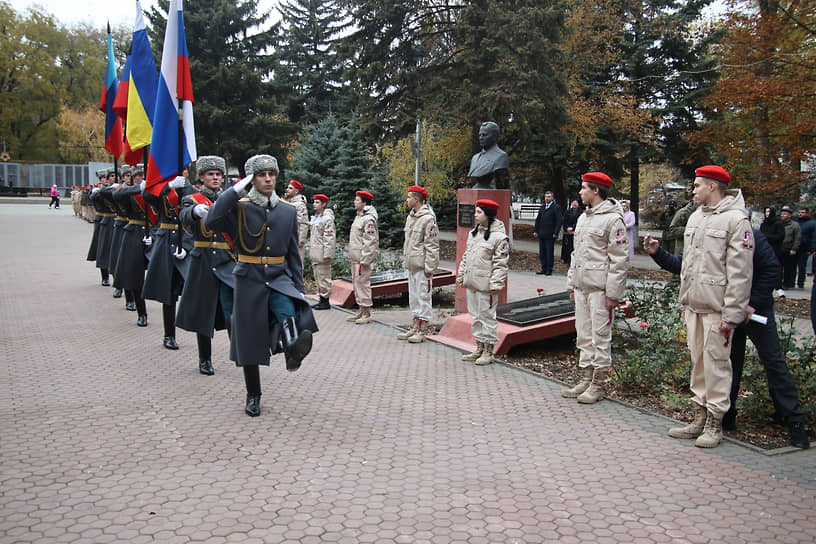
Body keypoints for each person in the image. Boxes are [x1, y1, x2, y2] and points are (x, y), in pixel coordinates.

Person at [645, 231, 809, 449]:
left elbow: (771, 270)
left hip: (754, 312)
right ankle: (725, 419)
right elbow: (686, 267)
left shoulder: (751, 236)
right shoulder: (707, 233)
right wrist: (658, 253)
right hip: (724, 313)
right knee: (727, 364)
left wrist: (751, 304)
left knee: (774, 362)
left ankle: (795, 424)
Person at [205, 154, 317, 417]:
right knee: (250, 341)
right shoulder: (240, 207)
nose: (268, 179)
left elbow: (292, 252)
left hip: (278, 276)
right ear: (251, 179)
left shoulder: (287, 211)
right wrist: (233, 191)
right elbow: (212, 220)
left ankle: (292, 349)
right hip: (248, 278)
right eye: (261, 174)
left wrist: (298, 284)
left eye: (272, 174)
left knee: (288, 309)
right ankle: (253, 394)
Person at [667, 165, 754, 448]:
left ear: (713, 186)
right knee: (698, 363)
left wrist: (732, 315)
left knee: (716, 364)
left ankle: (715, 422)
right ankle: (699, 416)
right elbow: (688, 268)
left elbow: (740, 273)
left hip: (718, 310)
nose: (693, 191)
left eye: (697, 186)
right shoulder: (695, 217)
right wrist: (684, 301)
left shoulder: (736, 220)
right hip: (695, 305)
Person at [561, 172, 628, 404]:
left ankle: (598, 383)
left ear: (596, 190)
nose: (580, 193)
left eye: (584, 188)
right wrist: (572, 283)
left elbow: (619, 260)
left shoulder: (613, 220)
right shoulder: (584, 218)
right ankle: (585, 377)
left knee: (600, 337)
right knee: (584, 335)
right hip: (582, 287)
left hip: (600, 290)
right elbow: (575, 254)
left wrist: (613, 294)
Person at [176, 155, 236, 376]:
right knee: (203, 313)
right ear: (201, 177)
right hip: (202, 260)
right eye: (210, 174)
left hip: (226, 259)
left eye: (219, 174)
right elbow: (182, 216)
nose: (215, 178)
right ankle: (204, 359)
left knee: (233, 310)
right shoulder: (192, 199)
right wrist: (194, 212)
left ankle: (238, 350)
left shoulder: (231, 199)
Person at [142, 171, 194, 350]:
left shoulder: (192, 190)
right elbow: (147, 195)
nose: (182, 172)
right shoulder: (164, 191)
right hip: (166, 242)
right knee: (169, 292)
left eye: (184, 169)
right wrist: (168, 186)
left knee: (194, 290)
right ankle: (169, 335)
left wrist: (187, 246)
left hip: (186, 242)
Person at [457, 199, 510, 365]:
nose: (475, 215)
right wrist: (462, 275)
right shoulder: (474, 234)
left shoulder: (499, 238)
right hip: (472, 282)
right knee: (476, 316)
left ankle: (489, 350)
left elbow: (501, 264)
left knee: (487, 317)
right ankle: (479, 346)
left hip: (486, 285)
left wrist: (496, 284)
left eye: (479, 212)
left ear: (488, 214)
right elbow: (466, 257)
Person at [397, 185, 440, 343]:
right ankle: (415, 326)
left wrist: (430, 268)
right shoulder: (411, 217)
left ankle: (422, 330)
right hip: (411, 264)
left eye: (409, 197)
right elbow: (408, 242)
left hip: (422, 266)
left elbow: (432, 245)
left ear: (416, 199)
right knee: (414, 298)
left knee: (423, 297)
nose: (407, 200)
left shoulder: (428, 218)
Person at [113, 165, 150, 327]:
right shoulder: (130, 192)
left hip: (154, 233)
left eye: (143, 175)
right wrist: (138, 188)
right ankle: (141, 312)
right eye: (137, 176)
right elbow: (116, 194)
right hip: (135, 231)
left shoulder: (154, 190)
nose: (140, 178)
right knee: (136, 275)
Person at [346, 190, 379, 325]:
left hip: (362, 258)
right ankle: (360, 309)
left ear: (364, 203)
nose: (355, 202)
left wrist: (366, 259)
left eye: (357, 200)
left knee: (363, 284)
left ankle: (367, 311)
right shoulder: (359, 216)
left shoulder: (369, 219)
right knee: (357, 283)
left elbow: (370, 241)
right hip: (355, 256)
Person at [87, 168, 116, 287]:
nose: (105, 180)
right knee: (102, 248)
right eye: (102, 178)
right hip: (103, 221)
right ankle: (104, 276)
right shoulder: (98, 190)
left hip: (115, 220)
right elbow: (94, 197)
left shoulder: (117, 188)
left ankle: (116, 278)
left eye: (107, 177)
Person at [309, 194, 336, 310]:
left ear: (324, 204)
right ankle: (321, 299)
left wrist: (328, 254)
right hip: (316, 253)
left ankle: (325, 301)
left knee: (324, 277)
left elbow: (329, 237)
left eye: (317, 202)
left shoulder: (327, 218)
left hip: (322, 253)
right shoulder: (317, 217)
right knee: (318, 277)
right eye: (314, 202)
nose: (314, 204)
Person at [468, 121, 510, 189]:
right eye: (480, 135)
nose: (481, 138)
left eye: (484, 135)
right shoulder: (475, 158)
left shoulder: (501, 156)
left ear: (494, 136)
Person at [533, 190, 563, 275]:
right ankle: (543, 268)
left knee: (549, 252)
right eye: (546, 197)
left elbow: (559, 221)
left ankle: (549, 269)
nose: (547, 198)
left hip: (550, 234)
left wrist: (556, 232)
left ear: (552, 198)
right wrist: (535, 230)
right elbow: (538, 220)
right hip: (542, 233)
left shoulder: (556, 207)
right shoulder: (542, 207)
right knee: (542, 252)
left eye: (549, 197)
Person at [283, 179, 309, 263]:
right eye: (288, 188)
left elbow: (304, 223)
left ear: (296, 191)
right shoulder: (289, 202)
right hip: (287, 239)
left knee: (296, 263)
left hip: (296, 240)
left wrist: (301, 240)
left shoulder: (300, 205)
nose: (287, 190)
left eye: (290, 188)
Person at [779, 205, 801, 290]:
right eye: (782, 214)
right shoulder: (779, 224)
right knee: (778, 267)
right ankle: (778, 283)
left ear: (789, 215)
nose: (782, 215)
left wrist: (794, 248)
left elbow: (797, 238)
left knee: (788, 268)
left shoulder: (795, 225)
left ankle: (787, 283)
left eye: (784, 214)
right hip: (779, 249)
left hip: (788, 250)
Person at [795, 207, 814, 289]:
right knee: (792, 266)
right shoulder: (795, 222)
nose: (800, 214)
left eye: (802, 212)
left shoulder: (811, 224)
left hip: (804, 248)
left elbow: (813, 237)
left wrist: (811, 249)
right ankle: (790, 282)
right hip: (794, 247)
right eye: (799, 212)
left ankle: (801, 283)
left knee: (802, 266)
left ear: (806, 213)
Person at [561, 199, 581, 265]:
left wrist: (573, 228)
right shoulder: (568, 212)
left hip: (575, 232)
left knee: (573, 247)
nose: (574, 204)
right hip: (567, 232)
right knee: (566, 247)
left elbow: (578, 222)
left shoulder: (581, 213)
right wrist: (566, 228)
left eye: (576, 203)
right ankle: (566, 259)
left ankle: (572, 261)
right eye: (573, 203)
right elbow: (564, 221)